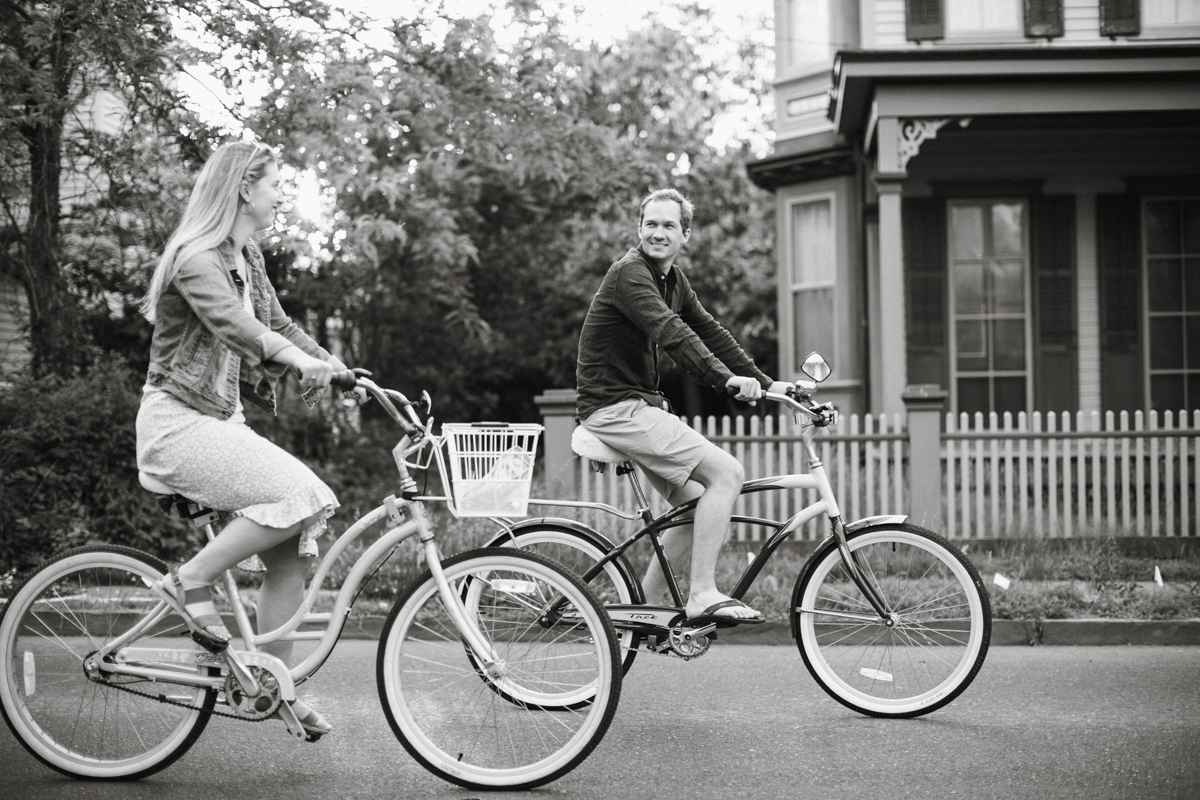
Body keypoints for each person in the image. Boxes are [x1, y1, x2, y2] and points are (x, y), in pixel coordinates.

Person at [136, 141, 356, 737]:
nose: (280, 194)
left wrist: (336, 369)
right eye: (275, 184)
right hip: (178, 425)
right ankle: (190, 580)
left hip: (218, 424)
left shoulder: (247, 255)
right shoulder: (194, 256)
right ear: (243, 188)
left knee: (291, 553)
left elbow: (278, 323)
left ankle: (267, 687)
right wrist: (295, 359)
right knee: (305, 494)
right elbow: (238, 327)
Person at [576, 188, 792, 624]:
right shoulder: (630, 275)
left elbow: (709, 331)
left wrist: (771, 385)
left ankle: (647, 610)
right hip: (615, 407)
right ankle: (701, 594)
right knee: (727, 474)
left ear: (685, 234)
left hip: (639, 406)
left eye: (668, 225)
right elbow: (671, 332)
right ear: (639, 229)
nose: (658, 233)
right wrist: (726, 380)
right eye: (650, 224)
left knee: (697, 503)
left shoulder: (673, 280)